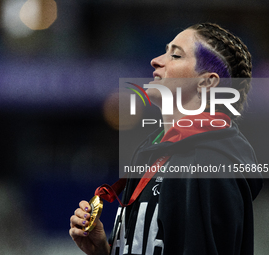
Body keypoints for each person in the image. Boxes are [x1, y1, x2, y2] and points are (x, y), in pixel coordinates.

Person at [69, 23, 263, 255]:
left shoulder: (207, 161)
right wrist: (105, 251)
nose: (156, 60)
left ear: (207, 82)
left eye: (176, 55)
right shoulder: (154, 152)